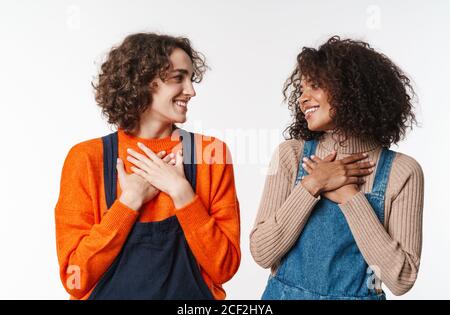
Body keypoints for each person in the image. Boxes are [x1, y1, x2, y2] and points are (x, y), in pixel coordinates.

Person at [55, 33, 240, 300]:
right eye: (179, 78)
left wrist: (182, 192)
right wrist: (128, 202)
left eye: (191, 78)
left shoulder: (211, 154)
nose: (191, 90)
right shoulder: (87, 158)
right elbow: (76, 278)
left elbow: (224, 267)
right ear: (143, 82)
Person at [250, 36, 424, 300]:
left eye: (315, 86)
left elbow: (401, 278)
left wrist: (349, 196)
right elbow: (262, 253)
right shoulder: (291, 155)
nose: (302, 99)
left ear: (351, 90)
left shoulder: (403, 171)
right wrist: (312, 185)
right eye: (301, 90)